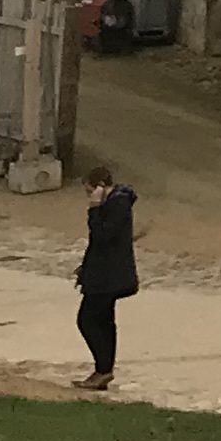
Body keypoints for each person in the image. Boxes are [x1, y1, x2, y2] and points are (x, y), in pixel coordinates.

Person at [73, 163, 138, 387]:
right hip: (105, 273)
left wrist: (94, 208)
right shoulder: (116, 204)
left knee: (87, 320)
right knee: (104, 321)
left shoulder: (115, 205)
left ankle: (103, 368)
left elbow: (101, 236)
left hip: (108, 277)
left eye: (89, 191)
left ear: (99, 187)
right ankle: (103, 370)